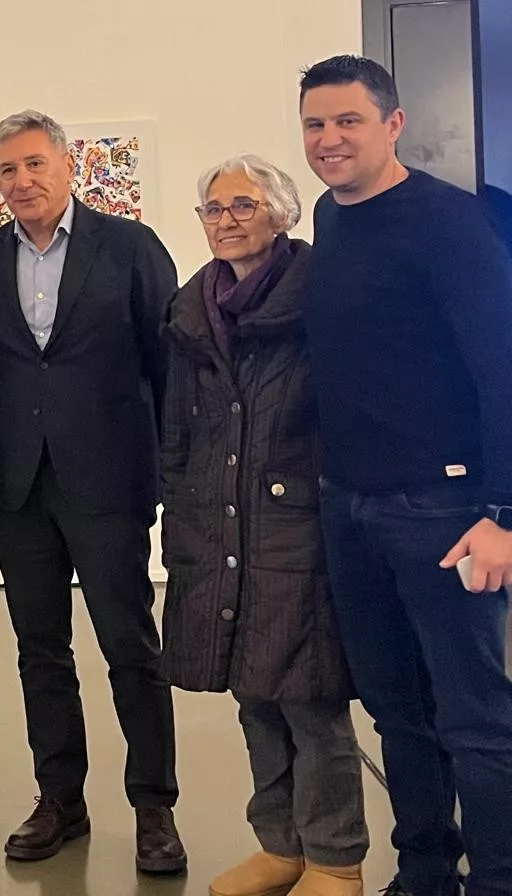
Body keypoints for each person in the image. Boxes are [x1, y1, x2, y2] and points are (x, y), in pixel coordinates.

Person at [299, 55, 512, 896]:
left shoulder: (452, 223)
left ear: (393, 124)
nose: (329, 139)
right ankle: (425, 868)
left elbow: (502, 367)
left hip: (446, 508)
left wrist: (503, 511)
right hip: (348, 506)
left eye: (348, 121)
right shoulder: (330, 214)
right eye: (315, 124)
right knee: (395, 710)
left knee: (475, 717)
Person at [0, 110, 186, 872]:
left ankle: (154, 806)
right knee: (39, 651)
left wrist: (165, 473)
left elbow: (170, 368)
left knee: (130, 645)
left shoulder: (129, 246)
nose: (20, 181)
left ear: (69, 166)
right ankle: (61, 798)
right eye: (6, 170)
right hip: (20, 482)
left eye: (34, 164)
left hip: (109, 478)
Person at [159, 155, 368, 896]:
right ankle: (279, 847)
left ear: (282, 214)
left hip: (296, 523)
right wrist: (178, 507)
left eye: (243, 206)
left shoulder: (320, 299)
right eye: (213, 209)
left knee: (310, 701)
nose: (227, 221)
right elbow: (177, 430)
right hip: (217, 527)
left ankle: (336, 860)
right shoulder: (192, 313)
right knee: (252, 695)